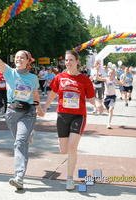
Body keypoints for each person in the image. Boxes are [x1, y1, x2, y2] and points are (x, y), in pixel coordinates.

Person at [0, 29, 44, 190]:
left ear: (28, 61)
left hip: (28, 112)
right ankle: (29, 135)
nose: (18, 59)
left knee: (19, 142)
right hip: (11, 113)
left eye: (21, 57)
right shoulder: (9, 72)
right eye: (16, 57)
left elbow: (36, 93)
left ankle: (19, 177)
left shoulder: (32, 78)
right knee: (22, 141)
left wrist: (39, 108)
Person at [42, 50, 104, 190]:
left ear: (77, 61)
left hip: (78, 116)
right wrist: (45, 108)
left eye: (71, 60)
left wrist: (98, 104)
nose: (68, 62)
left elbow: (91, 97)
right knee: (64, 150)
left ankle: (69, 178)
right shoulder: (59, 77)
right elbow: (52, 93)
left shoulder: (84, 79)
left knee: (72, 147)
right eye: (66, 60)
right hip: (62, 115)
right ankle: (70, 171)